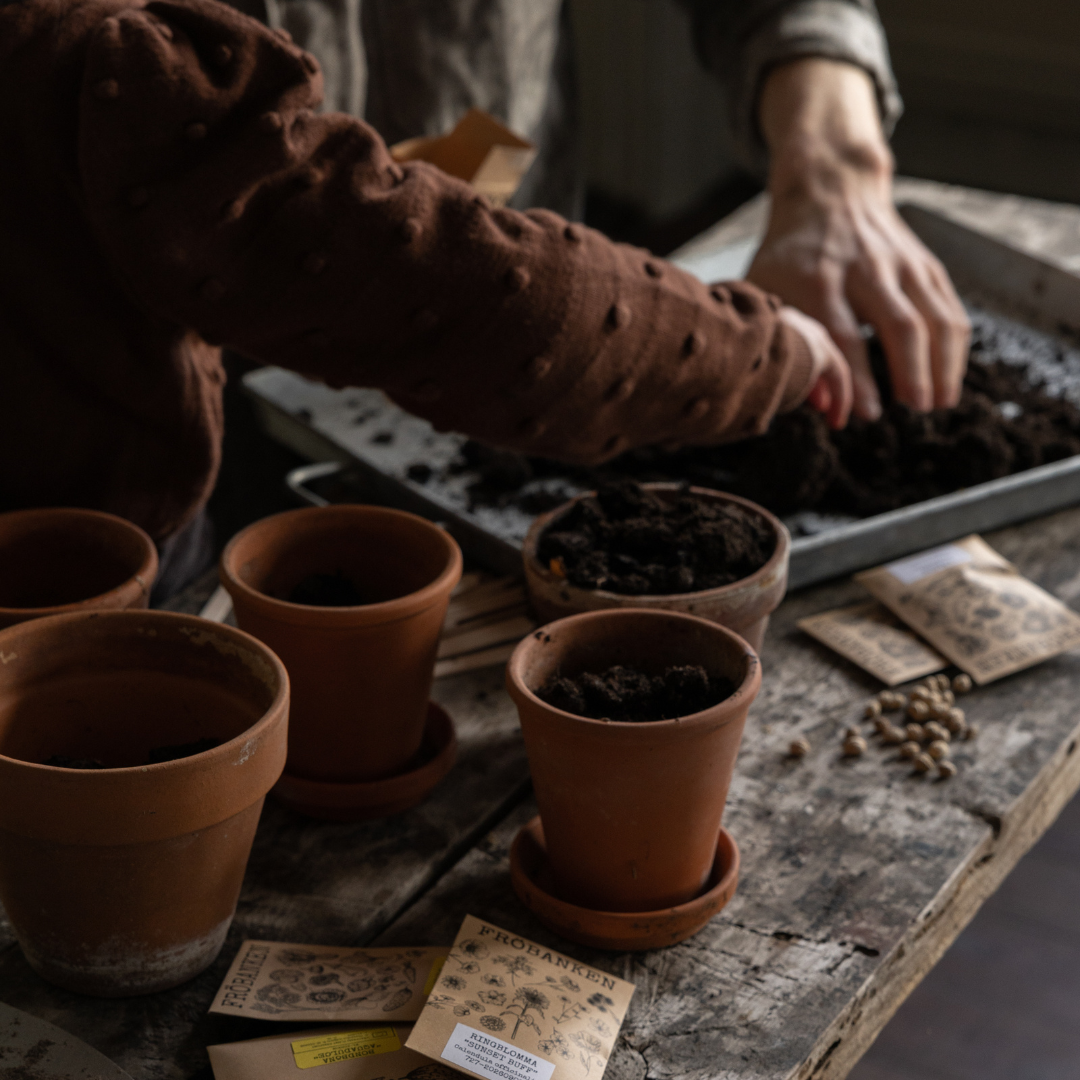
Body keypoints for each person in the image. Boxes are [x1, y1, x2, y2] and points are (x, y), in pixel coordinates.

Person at [0, 0, 955, 596]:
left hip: (510, 356)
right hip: (133, 501)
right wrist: (746, 350)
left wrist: (837, 158)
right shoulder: (108, 53)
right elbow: (311, 225)